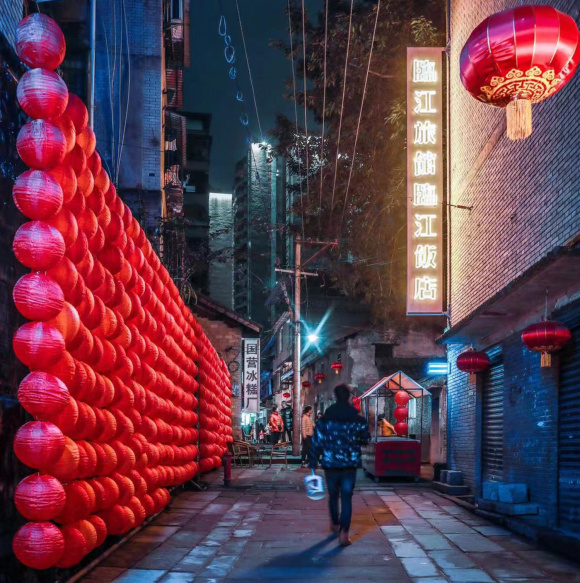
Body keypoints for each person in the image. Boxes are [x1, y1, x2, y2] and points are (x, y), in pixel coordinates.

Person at [309, 383, 371, 547]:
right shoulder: (358, 419)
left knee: (333, 496)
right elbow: (365, 440)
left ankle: (335, 524)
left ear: (335, 397)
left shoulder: (325, 419)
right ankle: (344, 534)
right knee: (346, 498)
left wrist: (313, 461)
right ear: (349, 397)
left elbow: (316, 441)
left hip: (330, 463)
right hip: (349, 464)